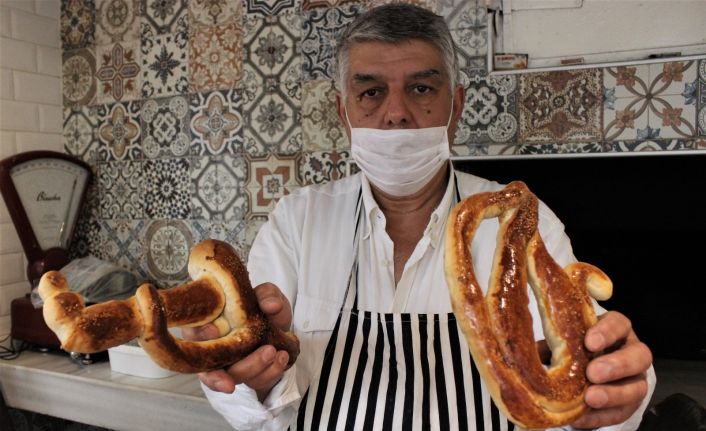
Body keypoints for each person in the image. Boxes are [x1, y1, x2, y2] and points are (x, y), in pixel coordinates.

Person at [183, 4, 655, 430]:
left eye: (421, 88)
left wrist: (613, 386)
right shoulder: (297, 221)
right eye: (371, 92)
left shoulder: (518, 223)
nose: (396, 113)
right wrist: (256, 372)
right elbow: (250, 409)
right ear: (343, 112)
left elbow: (587, 374)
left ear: (457, 106)